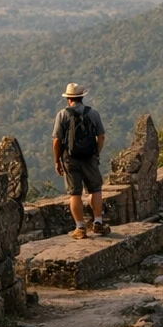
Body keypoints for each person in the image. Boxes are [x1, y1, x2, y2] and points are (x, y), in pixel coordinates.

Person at [52, 83, 109, 239]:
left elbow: (57, 140)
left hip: (70, 158)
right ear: (82, 97)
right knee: (95, 189)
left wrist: (57, 160)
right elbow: (101, 136)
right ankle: (98, 222)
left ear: (68, 99)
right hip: (90, 157)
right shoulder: (93, 113)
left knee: (75, 193)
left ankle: (80, 228)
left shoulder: (62, 115)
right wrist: (96, 153)